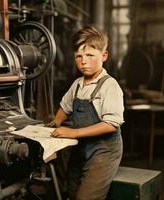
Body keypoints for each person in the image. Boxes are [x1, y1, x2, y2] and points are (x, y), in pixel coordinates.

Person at [47, 26, 124, 200]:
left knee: (85, 198)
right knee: (71, 191)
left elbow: (111, 124)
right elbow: (65, 107)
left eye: (90, 56)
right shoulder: (77, 84)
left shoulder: (109, 86)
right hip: (81, 148)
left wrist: (73, 132)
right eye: (79, 57)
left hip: (104, 152)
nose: (84, 61)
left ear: (104, 56)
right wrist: (57, 121)